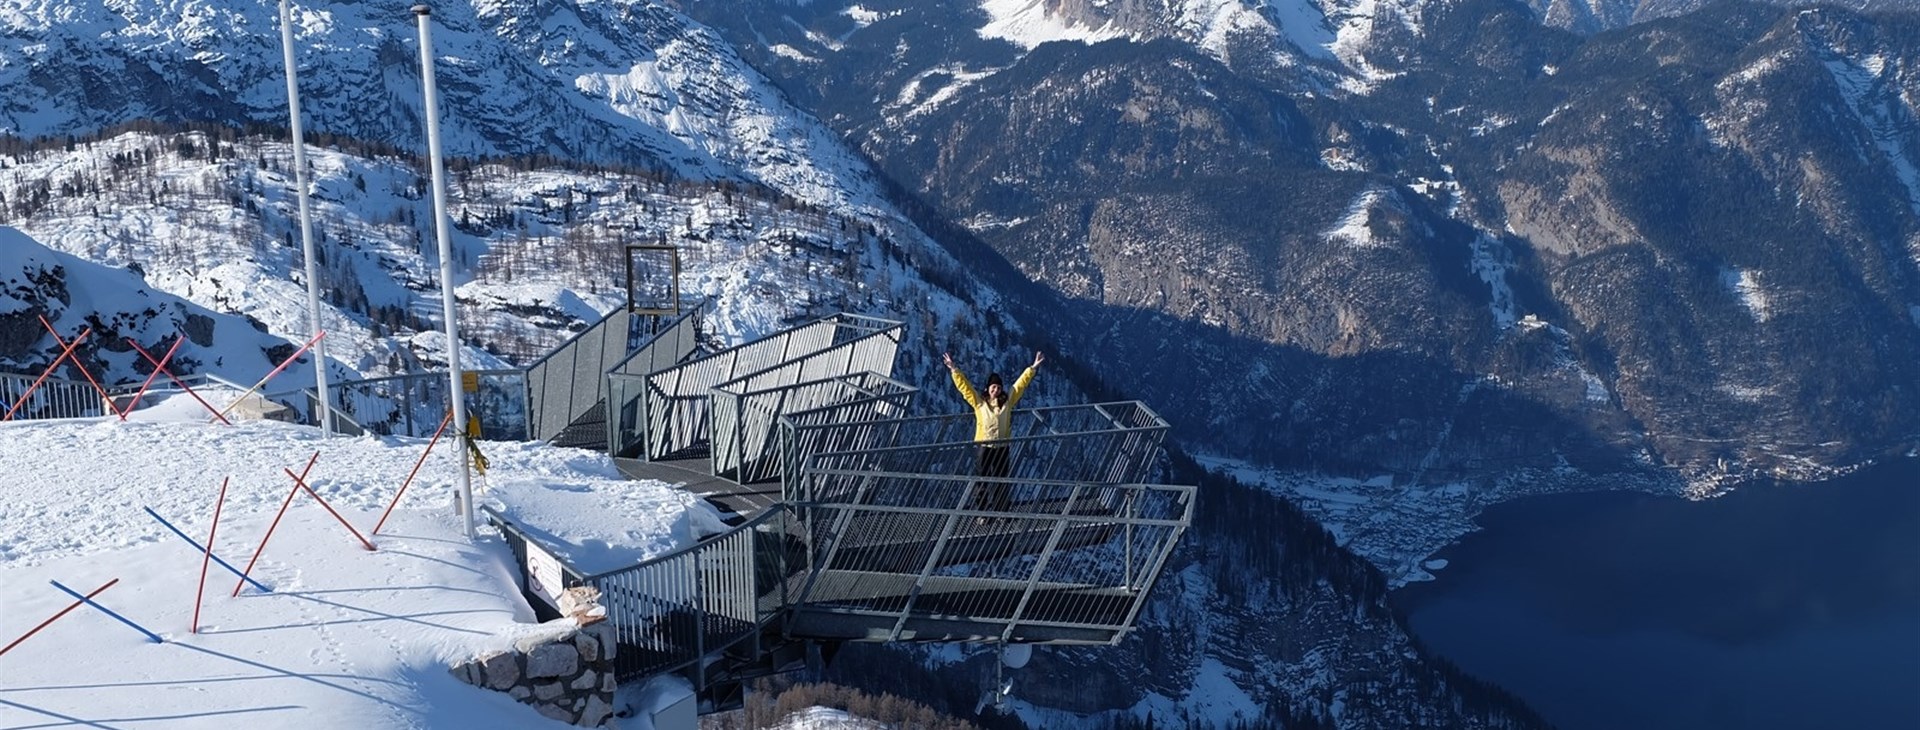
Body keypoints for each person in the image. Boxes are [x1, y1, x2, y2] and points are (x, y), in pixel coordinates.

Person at [943, 350, 1044, 519]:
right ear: (988, 388)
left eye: (998, 387)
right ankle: (982, 512)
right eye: (993, 387)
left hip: (1002, 447)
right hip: (984, 446)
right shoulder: (979, 403)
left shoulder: (1008, 402)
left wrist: (1032, 368)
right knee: (982, 480)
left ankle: (1001, 511)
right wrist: (954, 370)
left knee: (1001, 481)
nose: (996, 390)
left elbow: (1020, 385)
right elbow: (965, 387)